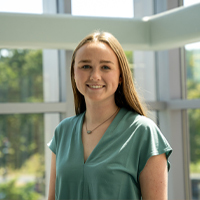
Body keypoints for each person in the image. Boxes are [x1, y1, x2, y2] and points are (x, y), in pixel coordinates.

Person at [47, 31, 172, 200]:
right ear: (73, 73)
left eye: (105, 67)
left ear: (120, 76)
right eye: (85, 66)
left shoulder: (143, 132)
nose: (95, 76)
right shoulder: (62, 131)